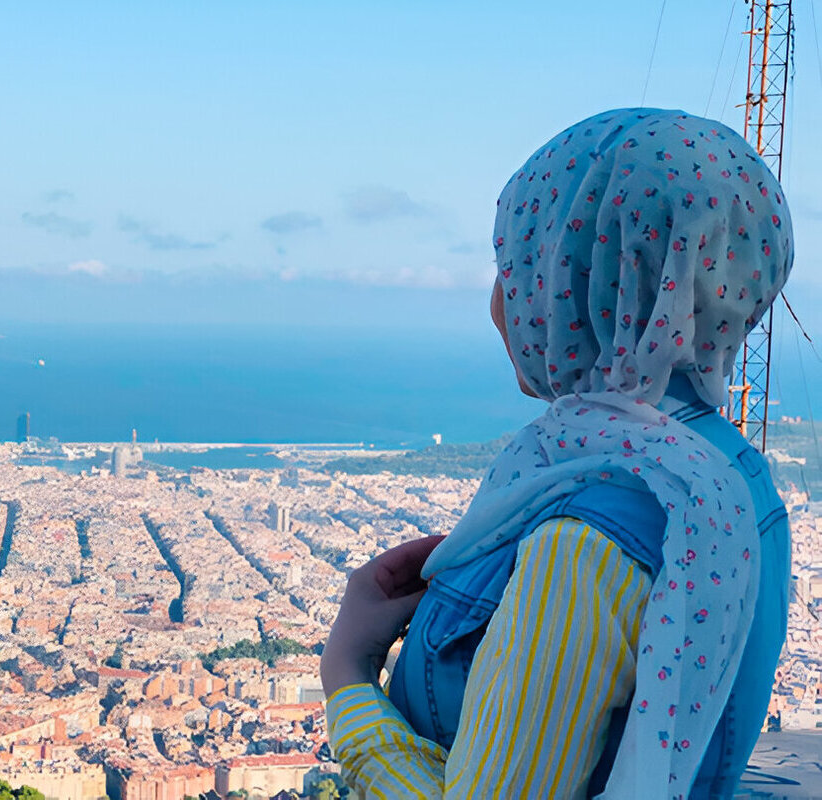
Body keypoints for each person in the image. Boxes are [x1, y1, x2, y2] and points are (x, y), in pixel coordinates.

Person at [320, 108, 793, 799]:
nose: (499, 300)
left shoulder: (587, 540)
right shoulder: (732, 478)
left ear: (588, 284)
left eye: (515, 265)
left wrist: (349, 675)